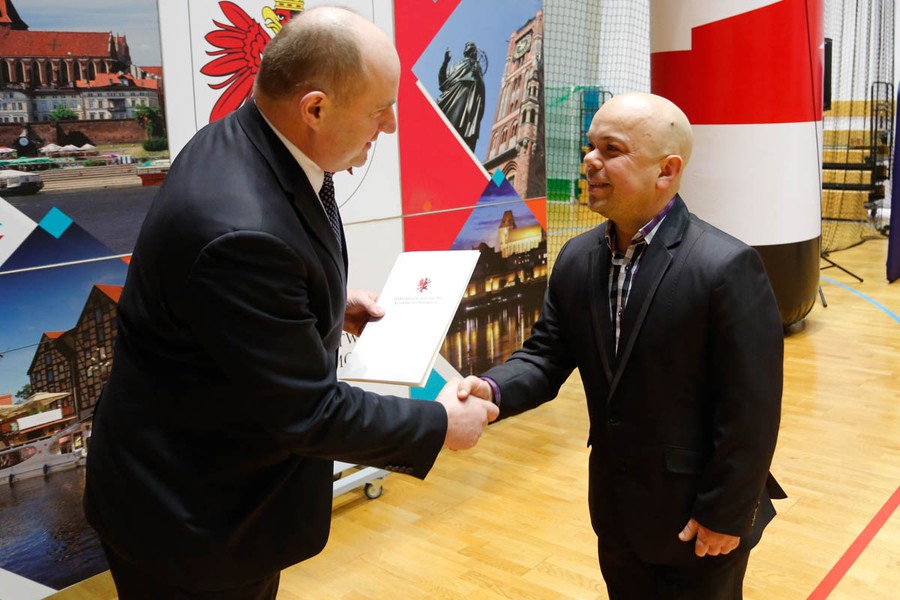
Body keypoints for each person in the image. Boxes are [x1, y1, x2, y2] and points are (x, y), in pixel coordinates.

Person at [83, 8, 498, 599]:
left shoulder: (245, 139)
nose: (391, 125)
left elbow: (232, 305)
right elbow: (309, 412)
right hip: (192, 520)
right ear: (315, 109)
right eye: (380, 109)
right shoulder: (241, 231)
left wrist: (325, 303)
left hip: (199, 486)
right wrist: (439, 423)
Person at [460, 92, 785, 599]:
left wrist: (725, 512)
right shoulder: (577, 258)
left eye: (611, 150)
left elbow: (751, 411)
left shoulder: (725, 266)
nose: (590, 160)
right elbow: (545, 356)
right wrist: (491, 389)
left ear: (666, 170)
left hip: (697, 520)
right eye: (590, 146)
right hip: (616, 512)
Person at [436, 41, 486, 152]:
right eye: (467, 47)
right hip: (449, 94)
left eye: (470, 47)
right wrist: (445, 62)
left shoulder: (475, 65)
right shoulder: (456, 64)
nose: (467, 48)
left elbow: (480, 87)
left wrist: (477, 76)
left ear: (473, 51)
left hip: (464, 95)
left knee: (455, 126)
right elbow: (442, 81)